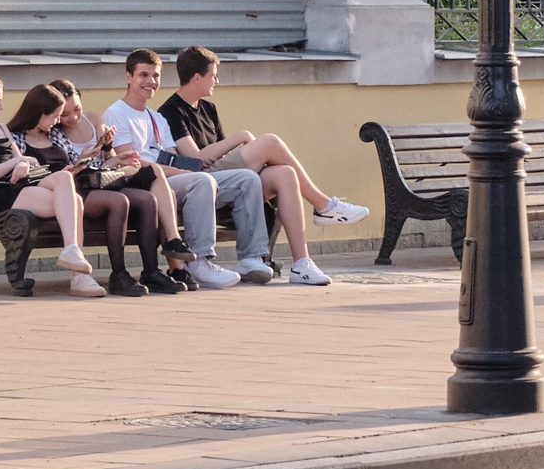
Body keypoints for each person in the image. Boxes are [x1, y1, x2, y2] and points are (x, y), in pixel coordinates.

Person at [157, 45, 370, 287]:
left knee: (285, 174)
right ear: (197, 78)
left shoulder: (208, 108)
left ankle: (302, 264)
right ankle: (323, 205)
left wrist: (239, 148)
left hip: (228, 180)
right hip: (200, 181)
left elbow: (224, 153)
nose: (217, 79)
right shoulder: (170, 111)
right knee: (269, 142)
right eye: (213, 75)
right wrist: (240, 137)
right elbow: (195, 160)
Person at [101, 49, 250, 289]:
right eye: (143, 75)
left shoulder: (156, 117)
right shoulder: (117, 112)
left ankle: (193, 265)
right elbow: (131, 162)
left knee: (232, 179)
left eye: (156, 76)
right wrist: (189, 175)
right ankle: (200, 261)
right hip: (141, 183)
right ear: (128, 77)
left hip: (166, 181)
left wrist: (195, 170)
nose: (151, 82)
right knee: (201, 182)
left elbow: (172, 158)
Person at [0, 72, 101, 296]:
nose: (0, 107)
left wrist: (24, 164)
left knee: (67, 181)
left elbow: (26, 161)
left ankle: (73, 258)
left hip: (19, 187)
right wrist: (16, 162)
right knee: (74, 201)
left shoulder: (0, 128)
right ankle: (80, 276)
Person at [48, 78, 194, 293]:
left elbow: (107, 161)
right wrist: (83, 159)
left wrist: (117, 159)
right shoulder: (55, 132)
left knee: (149, 189)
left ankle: (154, 269)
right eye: (65, 114)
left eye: (77, 109)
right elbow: (65, 174)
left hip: (105, 179)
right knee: (121, 200)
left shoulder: (93, 119)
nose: (73, 118)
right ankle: (119, 274)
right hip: (81, 186)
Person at [12, 84, 157, 297]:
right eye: (56, 116)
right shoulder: (17, 138)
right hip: (42, 191)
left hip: (70, 187)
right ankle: (109, 273)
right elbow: (15, 168)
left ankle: (147, 272)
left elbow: (75, 168)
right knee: (116, 201)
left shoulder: (55, 136)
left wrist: (103, 157)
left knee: (144, 197)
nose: (59, 121)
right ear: (39, 113)